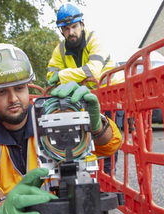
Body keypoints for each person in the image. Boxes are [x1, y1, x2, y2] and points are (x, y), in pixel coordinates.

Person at [0, 43, 122, 214]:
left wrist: (96, 125)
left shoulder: (53, 116)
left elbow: (108, 147)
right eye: (1, 92)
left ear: (28, 86)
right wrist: (0, 209)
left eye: (19, 88)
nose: (13, 98)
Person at [47, 3, 124, 174]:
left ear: (82, 24)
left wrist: (63, 75)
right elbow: (50, 76)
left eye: (74, 26)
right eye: (66, 29)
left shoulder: (95, 40)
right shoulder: (60, 49)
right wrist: (78, 76)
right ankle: (90, 175)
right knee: (83, 138)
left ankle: (108, 176)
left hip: (112, 94)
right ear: (61, 30)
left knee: (107, 138)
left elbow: (93, 70)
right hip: (85, 97)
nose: (71, 32)